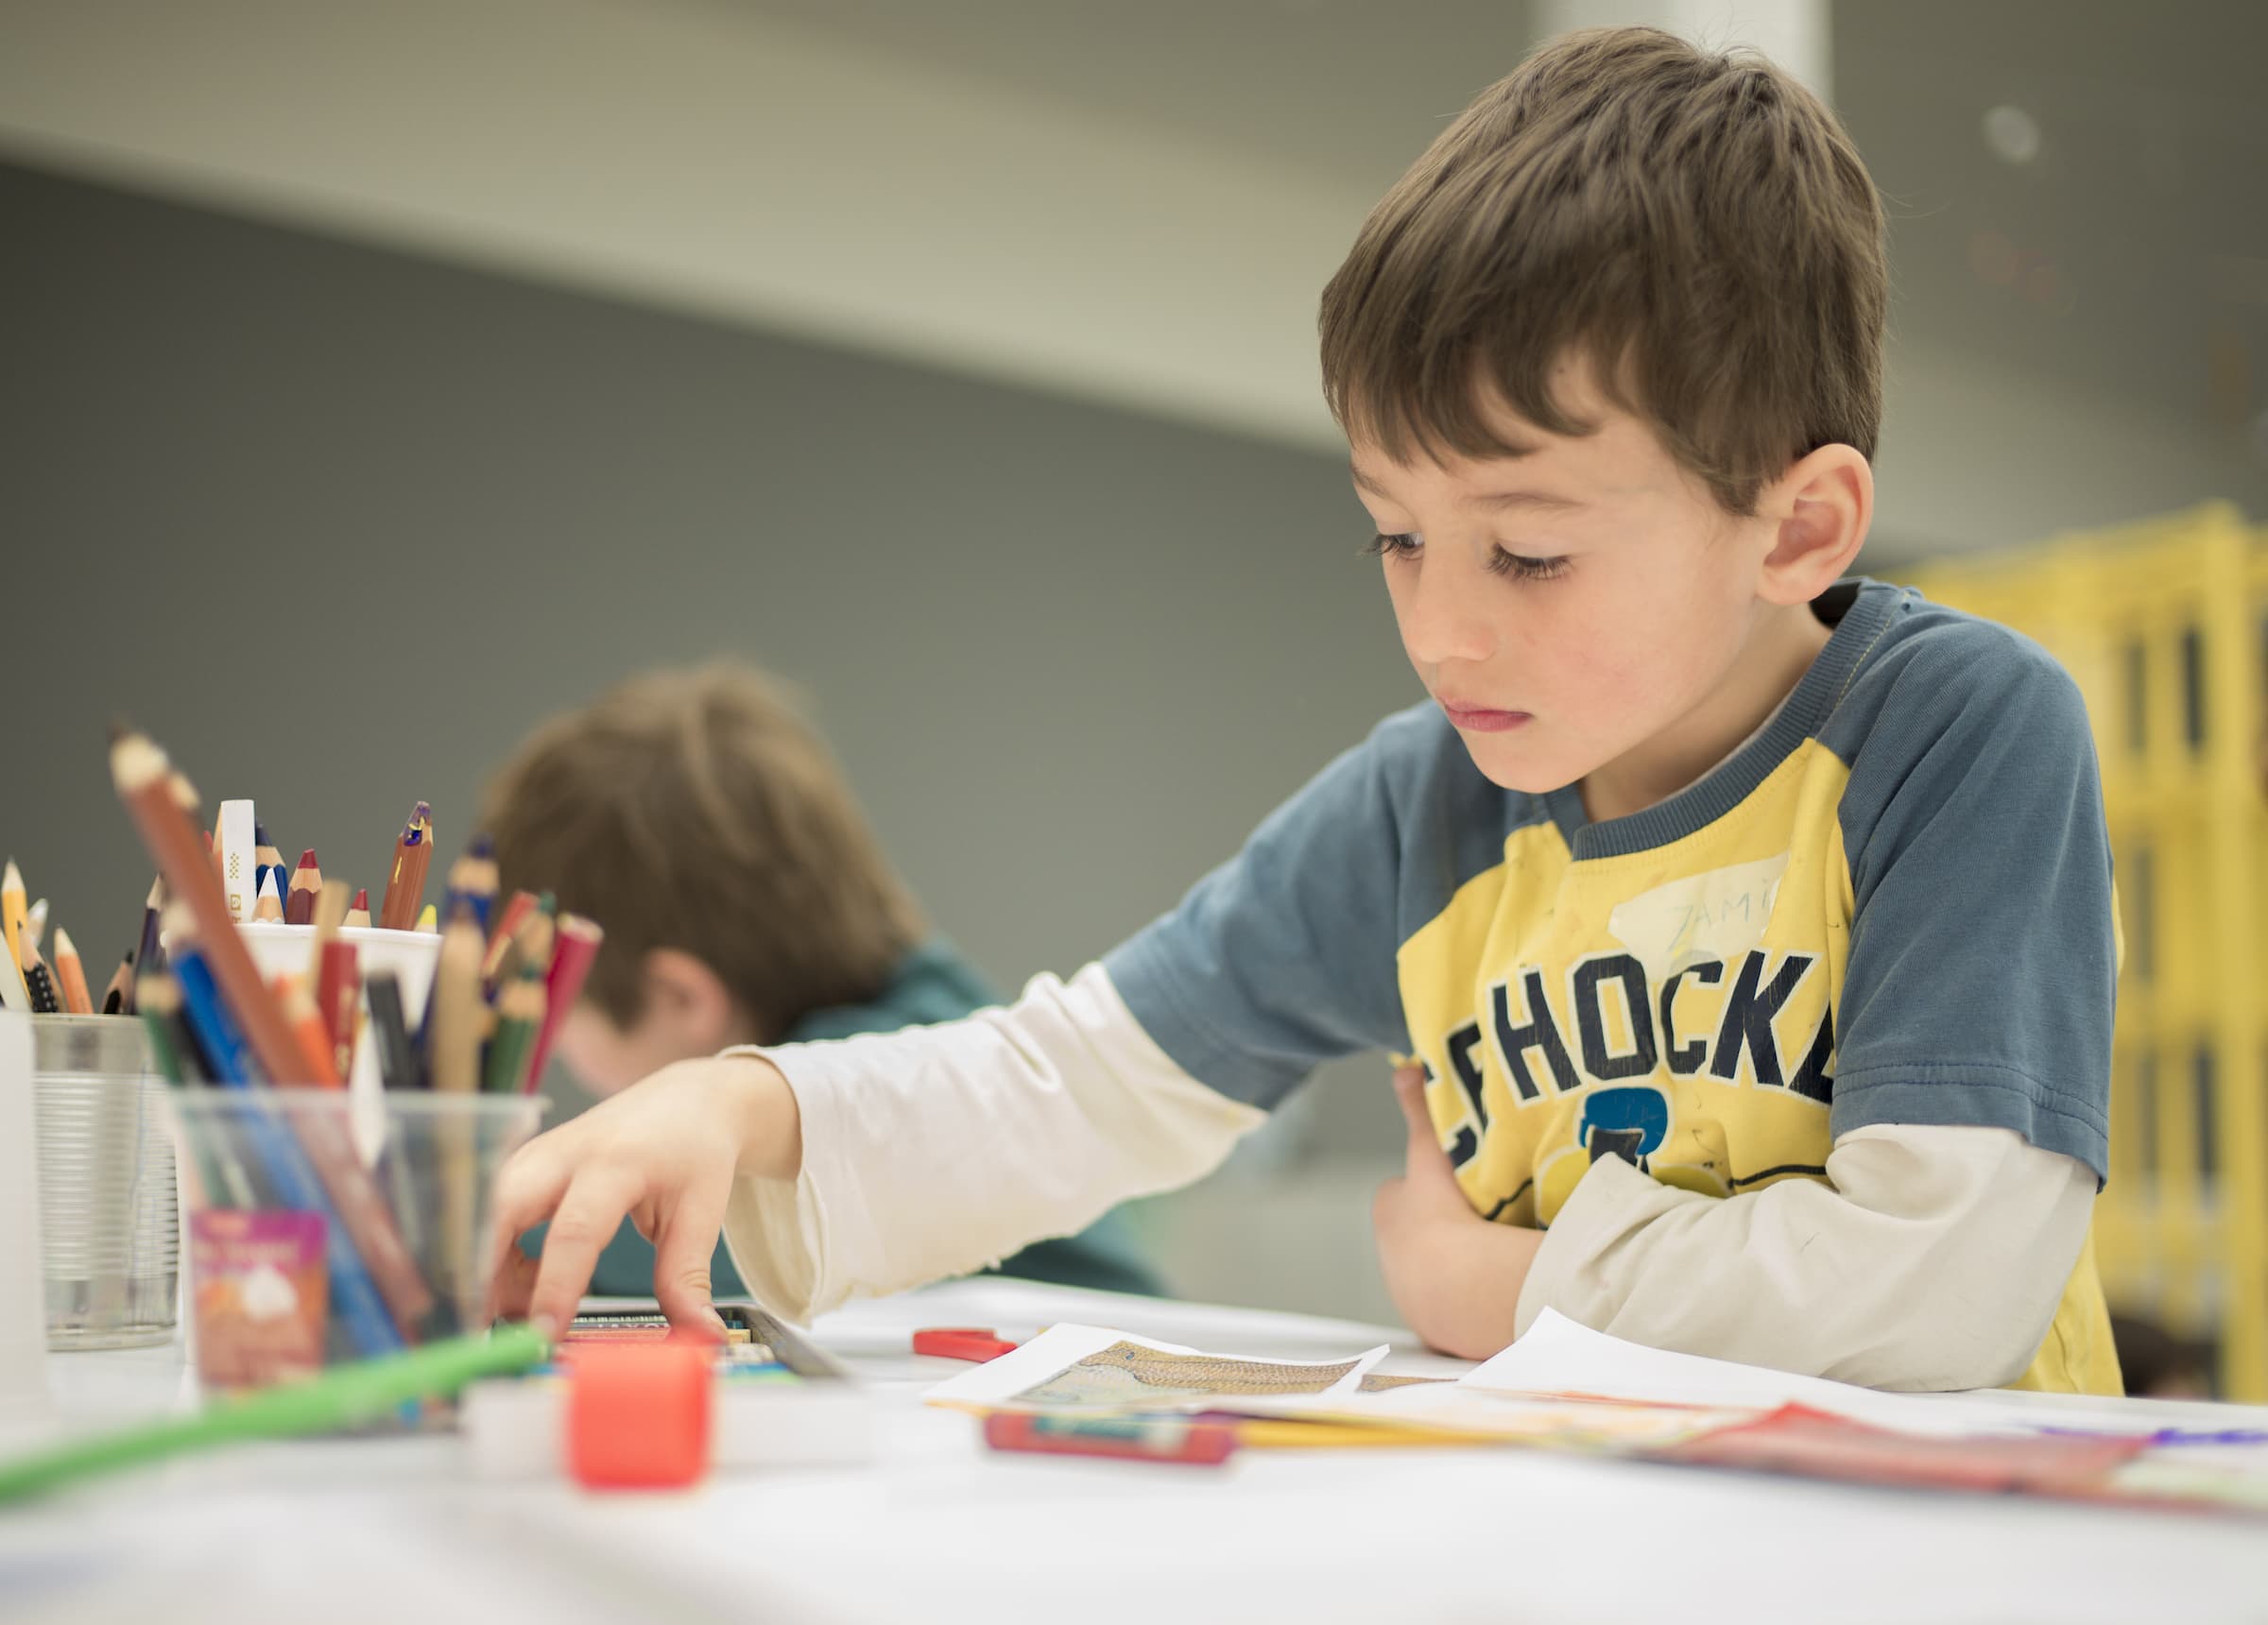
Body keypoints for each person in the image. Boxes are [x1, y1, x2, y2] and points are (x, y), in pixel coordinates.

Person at [490, 26, 2122, 1394]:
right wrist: (750, 1098)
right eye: (1396, 534)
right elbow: (1074, 1086)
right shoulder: (1427, 806)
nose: (1437, 626)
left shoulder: (1957, 737)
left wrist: (1496, 1288)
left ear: (1801, 527)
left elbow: (1928, 1292)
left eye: (1530, 550)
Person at [481, 661, 1160, 1301]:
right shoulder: (939, 1001)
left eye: (560, 1019)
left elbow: (598, 1233)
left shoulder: (878, 1090)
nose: (558, 1050)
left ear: (681, 998)